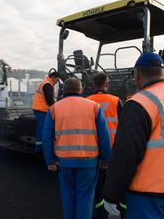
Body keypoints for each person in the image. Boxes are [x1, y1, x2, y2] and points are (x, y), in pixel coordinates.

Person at [104, 52, 164, 218]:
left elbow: (125, 155)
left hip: (147, 193)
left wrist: (111, 195)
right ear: (163, 73)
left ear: (137, 74)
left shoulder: (139, 103)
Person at [42, 78, 111, 219]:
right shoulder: (94, 106)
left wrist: (50, 160)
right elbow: (104, 135)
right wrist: (105, 158)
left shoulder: (54, 108)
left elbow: (47, 137)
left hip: (64, 161)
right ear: (81, 90)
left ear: (64, 90)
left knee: (68, 197)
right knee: (85, 198)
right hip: (89, 162)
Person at [87, 73, 124, 218]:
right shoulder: (116, 101)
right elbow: (123, 126)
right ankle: (120, 209)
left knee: (98, 184)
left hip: (93, 149)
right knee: (116, 181)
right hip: (114, 150)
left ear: (93, 85)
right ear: (107, 84)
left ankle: (100, 212)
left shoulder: (87, 101)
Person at [32, 72, 61, 153]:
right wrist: (58, 107)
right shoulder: (48, 84)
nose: (56, 82)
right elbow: (49, 100)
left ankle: (38, 146)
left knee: (40, 128)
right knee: (43, 129)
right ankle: (39, 149)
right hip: (42, 109)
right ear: (54, 77)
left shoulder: (44, 83)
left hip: (38, 108)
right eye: (57, 80)